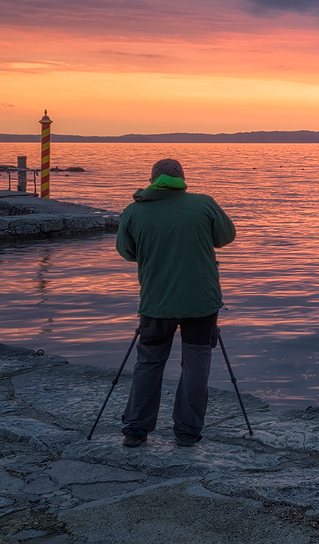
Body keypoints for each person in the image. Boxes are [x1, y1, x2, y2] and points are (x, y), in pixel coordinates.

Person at [115, 157, 236, 447]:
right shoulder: (204, 204)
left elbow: (126, 252)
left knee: (149, 362)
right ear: (182, 179)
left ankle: (136, 428)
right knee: (196, 365)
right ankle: (187, 431)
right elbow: (226, 237)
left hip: (157, 302)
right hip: (202, 303)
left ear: (152, 179)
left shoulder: (134, 211)